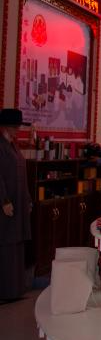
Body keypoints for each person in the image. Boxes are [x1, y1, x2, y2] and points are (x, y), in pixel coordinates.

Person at [0, 108, 32, 303]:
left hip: (19, 203)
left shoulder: (13, 146)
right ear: (6, 127)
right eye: (15, 127)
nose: (18, 130)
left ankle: (16, 289)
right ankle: (5, 291)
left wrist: (27, 198)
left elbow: (22, 173)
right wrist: (3, 200)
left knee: (17, 244)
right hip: (7, 204)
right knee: (6, 244)